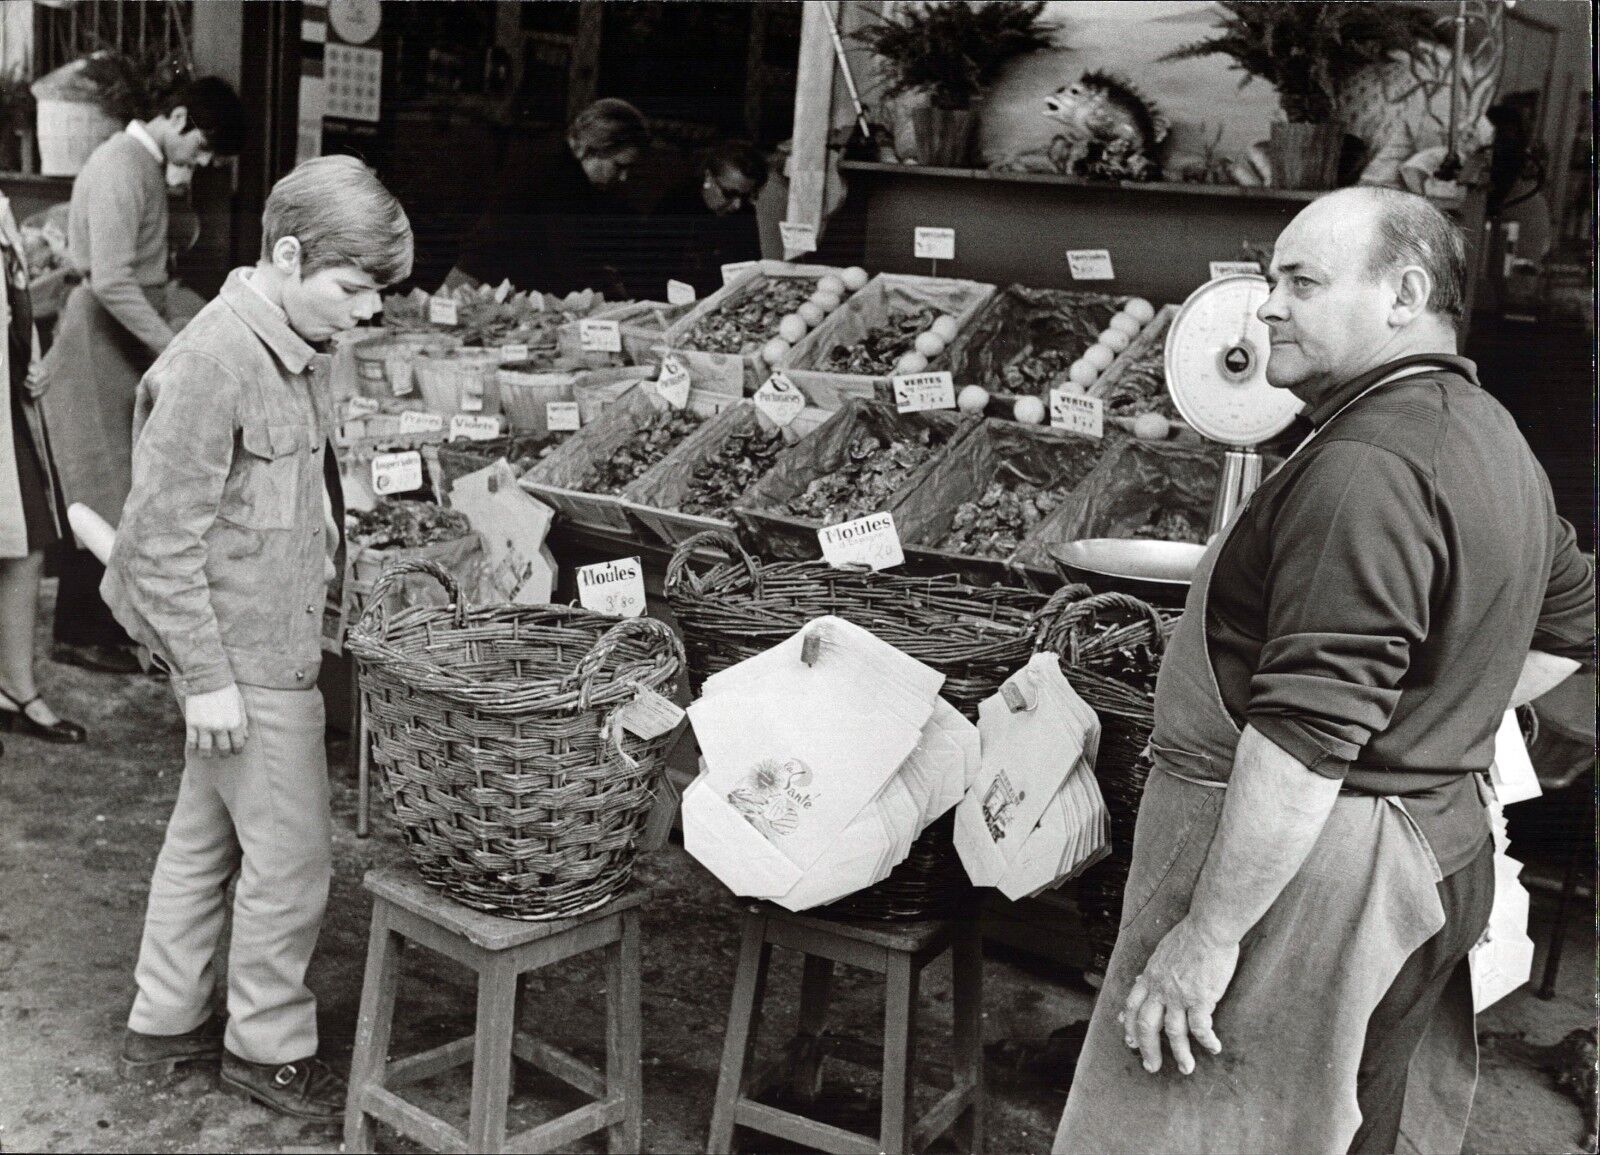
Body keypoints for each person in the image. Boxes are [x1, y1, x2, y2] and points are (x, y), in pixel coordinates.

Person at [1054, 186, 1594, 1155]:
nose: (1266, 307)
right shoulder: (1485, 430)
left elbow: (1304, 747)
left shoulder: (1366, 469)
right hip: (1429, 848)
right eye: (1271, 281)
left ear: (1404, 295)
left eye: (1300, 282)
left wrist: (1208, 937)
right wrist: (1430, 723)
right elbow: (1571, 627)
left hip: (1320, 882)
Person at [104, 155, 412, 1124]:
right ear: (288, 255)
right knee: (290, 861)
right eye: (353, 289)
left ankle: (163, 1023)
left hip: (263, 644)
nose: (367, 312)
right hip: (240, 658)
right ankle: (267, 1050)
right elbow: (157, 543)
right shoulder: (211, 363)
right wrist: (207, 679)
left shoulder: (293, 344)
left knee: (205, 838)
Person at [36, 75, 246, 675]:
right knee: (99, 484)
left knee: (126, 484)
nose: (201, 162)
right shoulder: (120, 165)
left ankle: (111, 626)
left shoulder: (144, 165)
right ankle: (79, 632)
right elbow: (111, 281)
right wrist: (174, 346)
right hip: (98, 334)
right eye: (201, 146)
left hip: (122, 334)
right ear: (177, 117)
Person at [0, 193, 86, 749]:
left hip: (6, 404)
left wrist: (25, 357)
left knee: (25, 540)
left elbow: (15, 292)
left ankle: (15, 689)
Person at [447, 97, 650, 298]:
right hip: (476, 286)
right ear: (593, 148)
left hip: (487, 281)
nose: (623, 178)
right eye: (619, 165)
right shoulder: (557, 178)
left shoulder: (563, 164)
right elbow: (570, 267)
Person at [619, 140, 768, 300]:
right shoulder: (674, 208)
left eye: (745, 196)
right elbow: (648, 277)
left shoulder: (743, 211)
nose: (737, 205)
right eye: (729, 194)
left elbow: (750, 266)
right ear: (708, 177)